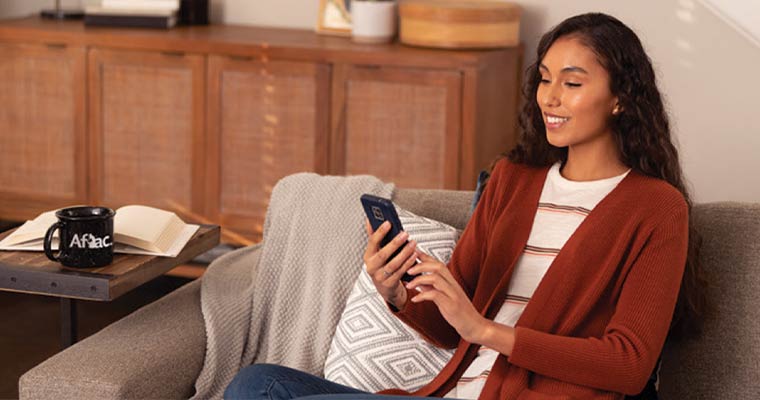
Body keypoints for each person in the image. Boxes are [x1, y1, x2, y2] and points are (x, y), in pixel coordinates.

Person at [224, 12, 706, 400]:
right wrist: (397, 292)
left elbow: (628, 364)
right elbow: (452, 330)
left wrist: (486, 330)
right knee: (255, 384)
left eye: (572, 84)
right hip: (453, 392)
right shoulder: (512, 182)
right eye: (544, 79)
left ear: (621, 98)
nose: (550, 98)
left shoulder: (655, 208)